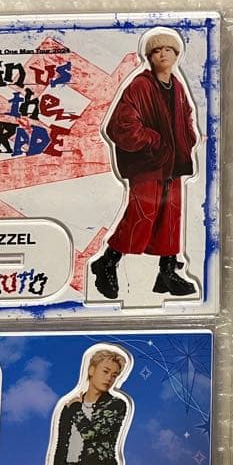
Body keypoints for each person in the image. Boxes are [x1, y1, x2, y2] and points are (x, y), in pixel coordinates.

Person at [91, 29, 198, 299]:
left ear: (177, 55)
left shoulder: (178, 87)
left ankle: (167, 272)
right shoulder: (140, 85)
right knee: (142, 215)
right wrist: (153, 140)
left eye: (168, 50)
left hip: (173, 164)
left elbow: (187, 117)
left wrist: (189, 138)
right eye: (156, 51)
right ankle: (107, 261)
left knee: (170, 219)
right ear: (149, 57)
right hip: (149, 164)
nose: (163, 54)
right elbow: (121, 124)